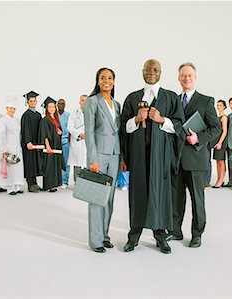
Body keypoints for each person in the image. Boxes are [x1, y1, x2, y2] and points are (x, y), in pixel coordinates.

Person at [121, 59, 183, 254]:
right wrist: (136, 119)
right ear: (142, 72)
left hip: (161, 154)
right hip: (139, 153)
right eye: (147, 69)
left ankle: (160, 235)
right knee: (138, 191)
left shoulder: (171, 97)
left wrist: (161, 119)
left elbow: (180, 126)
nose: (151, 72)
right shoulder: (132, 98)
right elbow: (123, 127)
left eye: (154, 69)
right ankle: (134, 235)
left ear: (161, 72)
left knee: (160, 193)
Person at [168, 62, 221, 248]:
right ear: (178, 78)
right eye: (183, 75)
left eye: (190, 75)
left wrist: (199, 138)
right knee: (176, 198)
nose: (186, 78)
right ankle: (175, 231)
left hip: (196, 159)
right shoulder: (173, 99)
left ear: (195, 77)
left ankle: (197, 234)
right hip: (176, 159)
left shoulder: (206, 101)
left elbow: (217, 128)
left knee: (197, 200)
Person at [84, 67, 123, 253]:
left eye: (109, 78)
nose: (106, 80)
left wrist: (122, 157)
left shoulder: (117, 104)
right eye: (102, 78)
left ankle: (105, 235)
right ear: (98, 81)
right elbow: (89, 132)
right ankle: (95, 240)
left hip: (115, 154)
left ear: (114, 81)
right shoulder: (92, 102)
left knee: (109, 198)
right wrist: (92, 158)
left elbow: (119, 133)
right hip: (98, 155)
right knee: (97, 197)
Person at [38, 97, 66, 193]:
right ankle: (49, 185)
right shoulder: (45, 120)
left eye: (53, 106)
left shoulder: (56, 119)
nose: (52, 108)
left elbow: (58, 131)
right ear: (46, 108)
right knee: (49, 165)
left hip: (57, 144)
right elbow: (44, 134)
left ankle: (55, 184)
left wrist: (59, 132)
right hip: (50, 145)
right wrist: (47, 146)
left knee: (56, 164)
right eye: (50, 107)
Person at [0, 99, 24, 195]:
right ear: (6, 108)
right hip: (8, 146)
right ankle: (10, 187)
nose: (12, 110)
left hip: (17, 146)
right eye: (10, 108)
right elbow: (0, 134)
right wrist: (3, 149)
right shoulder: (3, 120)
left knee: (17, 166)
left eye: (14, 108)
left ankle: (17, 184)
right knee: (9, 167)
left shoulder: (17, 120)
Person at [20, 91, 42, 193]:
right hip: (29, 144)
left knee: (35, 163)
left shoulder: (38, 115)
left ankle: (35, 183)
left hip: (36, 143)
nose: (33, 102)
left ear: (36, 102)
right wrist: (28, 141)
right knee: (30, 163)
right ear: (27, 102)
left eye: (34, 101)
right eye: (31, 101)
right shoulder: (26, 115)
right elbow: (25, 130)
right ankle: (30, 184)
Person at [67, 94, 88, 182]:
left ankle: (86, 183)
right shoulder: (74, 113)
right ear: (80, 102)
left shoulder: (92, 113)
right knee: (77, 163)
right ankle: (77, 183)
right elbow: (70, 127)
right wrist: (80, 135)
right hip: (78, 141)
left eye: (86, 100)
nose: (84, 102)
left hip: (88, 141)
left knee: (87, 162)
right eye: (82, 100)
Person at [212, 100, 229, 188]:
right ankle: (219, 179)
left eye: (220, 105)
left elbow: (224, 132)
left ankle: (221, 179)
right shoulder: (217, 117)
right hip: (216, 142)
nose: (218, 107)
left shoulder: (224, 117)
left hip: (221, 142)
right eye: (217, 105)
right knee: (217, 161)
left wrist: (220, 143)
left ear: (224, 107)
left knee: (221, 161)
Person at [57, 98, 70, 189]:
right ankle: (57, 180)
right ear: (57, 105)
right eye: (59, 104)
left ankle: (65, 181)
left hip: (65, 141)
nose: (61, 105)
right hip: (56, 142)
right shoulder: (54, 115)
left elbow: (70, 129)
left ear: (65, 105)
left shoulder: (68, 115)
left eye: (63, 104)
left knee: (65, 162)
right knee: (56, 163)